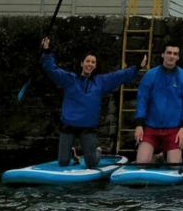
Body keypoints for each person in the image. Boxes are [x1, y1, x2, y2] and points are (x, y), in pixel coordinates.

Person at [40, 37, 146, 167]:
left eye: (93, 62)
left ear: (95, 66)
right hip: (68, 126)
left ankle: (97, 151)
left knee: (91, 163)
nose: (90, 64)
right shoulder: (70, 80)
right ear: (82, 63)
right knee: (63, 162)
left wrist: (137, 68)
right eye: (87, 61)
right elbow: (52, 69)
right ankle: (72, 154)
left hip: (87, 128)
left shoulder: (100, 82)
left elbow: (119, 76)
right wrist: (47, 51)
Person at [134, 42, 183, 166]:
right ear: (163, 54)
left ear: (178, 57)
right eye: (168, 53)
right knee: (141, 163)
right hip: (151, 128)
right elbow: (142, 100)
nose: (171, 56)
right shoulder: (150, 75)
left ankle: (166, 154)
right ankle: (158, 156)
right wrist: (139, 125)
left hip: (174, 129)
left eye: (175, 54)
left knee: (174, 165)